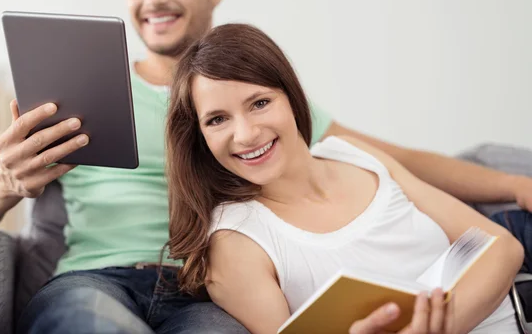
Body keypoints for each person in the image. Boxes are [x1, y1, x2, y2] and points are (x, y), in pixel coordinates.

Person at [0, 0, 529, 333]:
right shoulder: (78, 92)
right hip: (98, 278)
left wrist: (512, 183)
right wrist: (7, 182)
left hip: (209, 293)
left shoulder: (258, 102)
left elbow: (397, 160)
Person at [165, 23, 524, 334]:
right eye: (217, 120)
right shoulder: (234, 242)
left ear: (291, 97)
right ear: (200, 137)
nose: (245, 134)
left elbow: (503, 248)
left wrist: (440, 326)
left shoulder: (352, 152)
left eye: (259, 103)